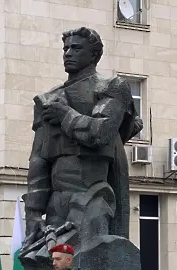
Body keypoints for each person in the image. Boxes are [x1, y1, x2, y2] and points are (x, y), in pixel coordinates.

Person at [23, 27, 143, 250]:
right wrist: (33, 214)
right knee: (49, 262)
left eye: (76, 48)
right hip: (56, 200)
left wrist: (66, 116)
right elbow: (38, 158)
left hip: (93, 194)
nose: (68, 53)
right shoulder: (48, 99)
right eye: (65, 48)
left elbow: (100, 133)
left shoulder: (112, 87)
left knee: (89, 257)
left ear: (94, 55)